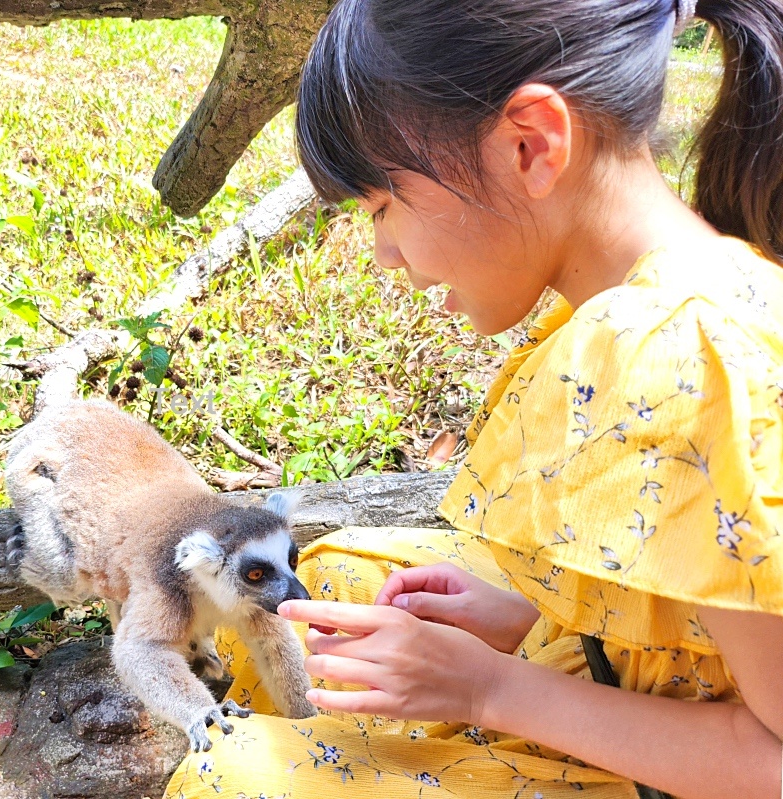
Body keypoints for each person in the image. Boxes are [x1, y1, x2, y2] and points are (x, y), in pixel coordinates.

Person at [164, 1, 783, 797]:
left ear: (531, 143)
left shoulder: (683, 355)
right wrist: (534, 619)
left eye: (384, 206)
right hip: (648, 679)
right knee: (337, 576)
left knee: (238, 780)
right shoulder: (643, 300)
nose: (385, 254)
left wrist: (491, 689)